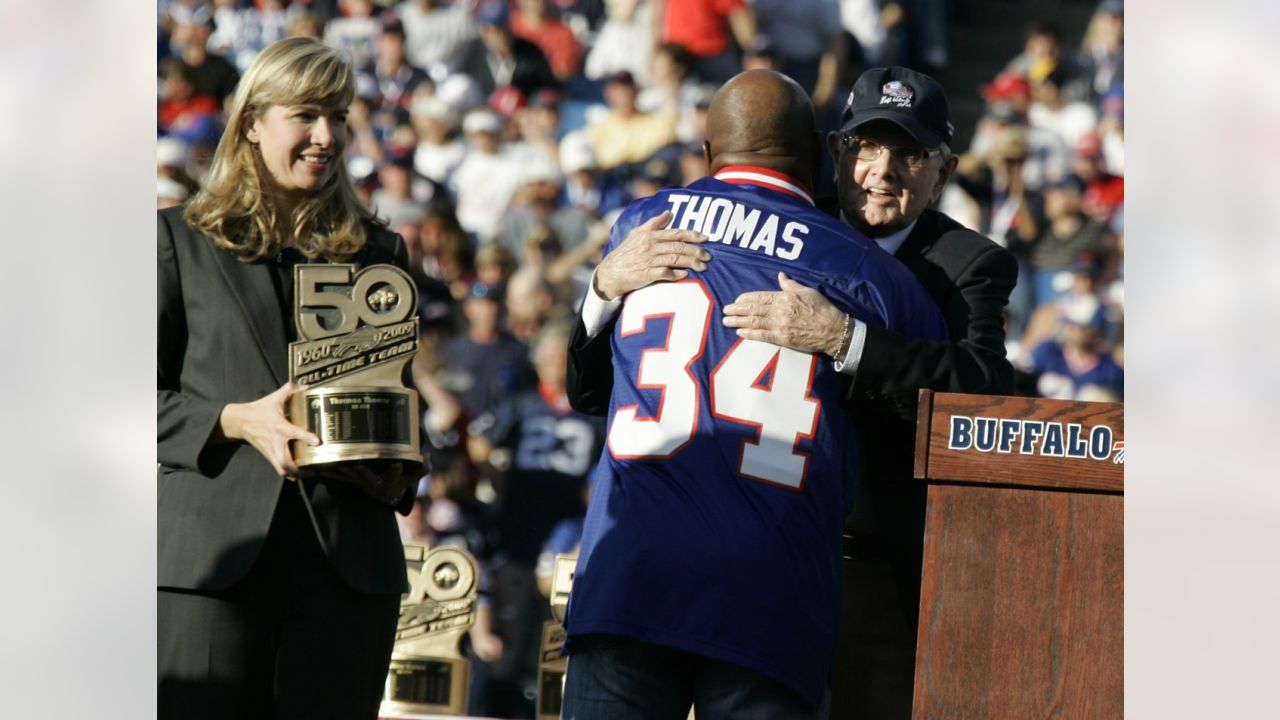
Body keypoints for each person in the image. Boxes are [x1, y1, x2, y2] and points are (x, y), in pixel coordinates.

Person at [564, 66, 1018, 719]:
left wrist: (848, 341)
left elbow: (984, 395)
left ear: (943, 173)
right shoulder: (854, 259)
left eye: (910, 154)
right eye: (867, 146)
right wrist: (602, 289)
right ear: (829, 151)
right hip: (772, 567)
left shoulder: (964, 263)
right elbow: (590, 386)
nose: (883, 171)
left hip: (862, 560)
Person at [157, 37, 420, 719]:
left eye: (339, 115)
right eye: (305, 115)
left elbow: (397, 401)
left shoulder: (380, 254)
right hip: (211, 568)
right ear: (251, 121)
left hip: (346, 574)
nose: (326, 136)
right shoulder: (177, 242)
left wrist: (400, 464)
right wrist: (235, 419)